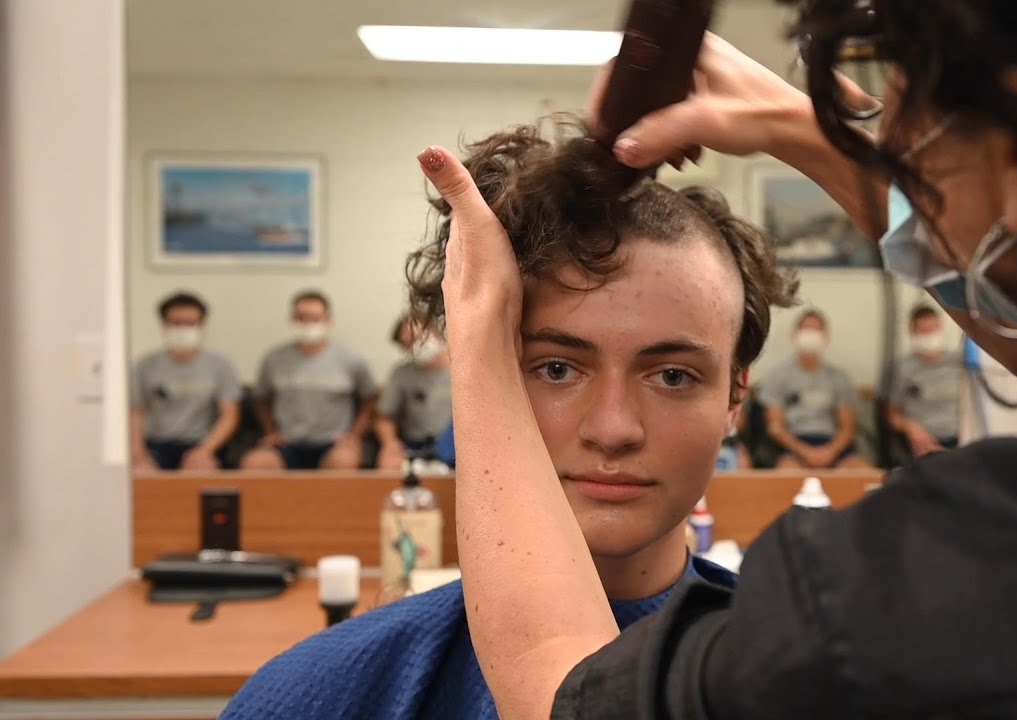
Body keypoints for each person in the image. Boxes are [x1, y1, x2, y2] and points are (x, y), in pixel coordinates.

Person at [421, 0, 1017, 716]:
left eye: (900, 104)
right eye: (557, 365)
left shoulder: (997, 580)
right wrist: (815, 136)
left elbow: (561, 691)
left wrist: (486, 348)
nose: (889, 136)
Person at [220, 118, 797, 719]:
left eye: (673, 376)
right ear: (482, 380)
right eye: (555, 369)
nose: (613, 428)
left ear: (736, 398)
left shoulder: (810, 685)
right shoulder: (324, 693)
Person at [239, 290, 377, 470]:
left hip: (333, 443)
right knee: (255, 463)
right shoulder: (274, 359)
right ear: (292, 319)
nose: (308, 324)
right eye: (302, 318)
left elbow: (371, 399)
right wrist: (271, 431)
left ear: (328, 320)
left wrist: (354, 435)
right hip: (287, 442)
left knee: (344, 462)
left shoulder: (351, 359)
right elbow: (260, 398)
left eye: (315, 318)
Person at [129, 292, 240, 470]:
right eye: (176, 323)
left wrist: (203, 451)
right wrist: (137, 453)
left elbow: (229, 417)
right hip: (156, 445)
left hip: (202, 444)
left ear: (202, 325)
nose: (183, 329)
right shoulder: (144, 366)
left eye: (190, 323)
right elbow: (135, 412)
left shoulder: (220, 366)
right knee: (141, 473)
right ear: (164, 325)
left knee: (200, 472)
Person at [757, 308, 867, 468]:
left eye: (816, 330)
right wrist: (805, 452)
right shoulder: (778, 376)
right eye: (806, 329)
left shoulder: (839, 378)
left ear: (826, 337)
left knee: (863, 472)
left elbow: (848, 428)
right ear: (795, 335)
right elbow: (776, 427)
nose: (810, 335)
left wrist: (829, 452)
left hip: (832, 445)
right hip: (793, 446)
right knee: (787, 474)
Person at [375, 313, 453, 470]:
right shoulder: (401, 374)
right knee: (388, 464)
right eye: (408, 344)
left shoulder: (464, 368)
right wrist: (390, 444)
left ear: (435, 332)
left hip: (459, 445)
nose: (416, 346)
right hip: (416, 446)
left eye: (418, 338)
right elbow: (384, 417)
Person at [888, 304, 962, 456]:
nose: (930, 336)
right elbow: (892, 415)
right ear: (912, 333)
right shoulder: (903, 369)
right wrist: (911, 428)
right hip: (923, 442)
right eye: (924, 331)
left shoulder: (961, 363)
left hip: (962, 438)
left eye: (933, 330)